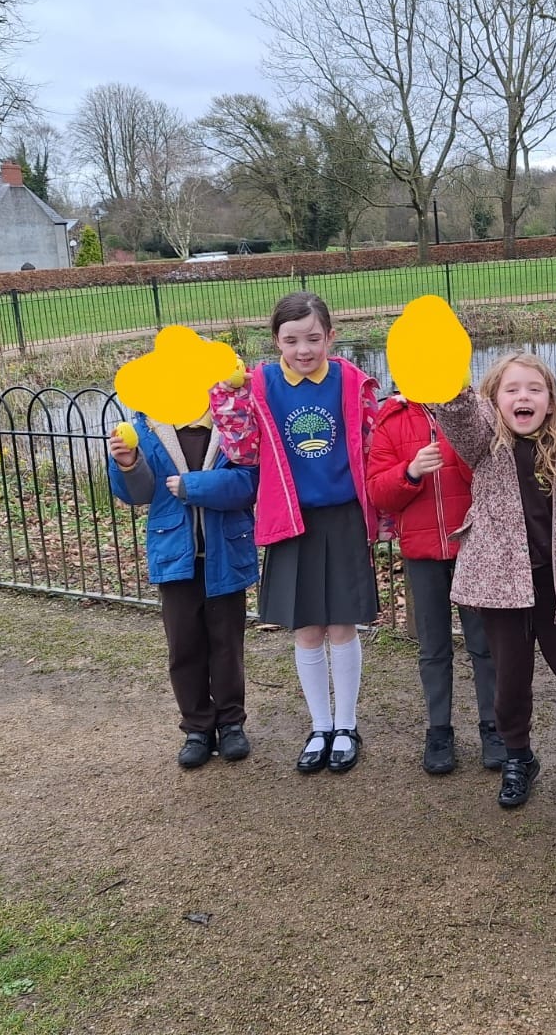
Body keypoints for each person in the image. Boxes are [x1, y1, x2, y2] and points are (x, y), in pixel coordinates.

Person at [430, 352, 556, 810]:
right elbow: (459, 419)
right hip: (502, 584)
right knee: (509, 680)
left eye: (534, 389)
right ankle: (518, 757)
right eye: (511, 389)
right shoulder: (484, 439)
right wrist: (450, 387)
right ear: (494, 399)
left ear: (550, 399)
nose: (522, 397)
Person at [214, 291, 381, 775]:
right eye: (291, 340)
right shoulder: (259, 384)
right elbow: (243, 452)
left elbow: (372, 444)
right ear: (276, 341)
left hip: (343, 516)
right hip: (292, 518)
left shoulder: (351, 381)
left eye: (312, 338)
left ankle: (346, 726)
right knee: (307, 628)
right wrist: (228, 395)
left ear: (331, 336)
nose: (303, 349)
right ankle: (320, 726)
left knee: (342, 624)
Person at [107, 411, 258, 769]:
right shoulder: (147, 426)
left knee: (227, 644)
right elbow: (139, 493)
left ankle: (231, 722)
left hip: (225, 552)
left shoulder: (233, 421)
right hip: (175, 555)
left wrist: (194, 487)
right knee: (184, 645)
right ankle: (197, 727)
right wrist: (128, 463)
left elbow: (249, 483)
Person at [367, 394, 505, 774]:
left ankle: (494, 727)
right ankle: (439, 730)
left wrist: (460, 450)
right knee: (433, 647)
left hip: (473, 546)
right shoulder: (391, 419)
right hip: (422, 552)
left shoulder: (474, 409)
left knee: (485, 644)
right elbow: (378, 491)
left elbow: (494, 475)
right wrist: (410, 472)